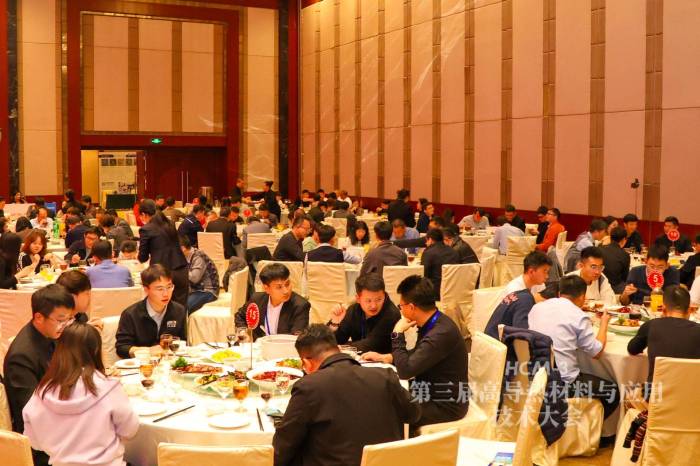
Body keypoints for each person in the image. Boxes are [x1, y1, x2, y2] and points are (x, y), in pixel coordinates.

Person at [273, 325, 419, 466]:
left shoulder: (308, 387)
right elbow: (414, 413)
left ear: (306, 363)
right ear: (339, 348)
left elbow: (282, 448)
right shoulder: (385, 376)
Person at [22, 322, 139, 466]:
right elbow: (129, 431)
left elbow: (33, 441)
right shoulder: (108, 387)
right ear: (96, 350)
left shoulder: (42, 391)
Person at [362, 276, 468, 429]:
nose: (401, 310)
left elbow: (405, 371)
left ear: (411, 307)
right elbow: (421, 353)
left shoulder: (441, 332)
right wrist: (388, 357)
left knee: (385, 411)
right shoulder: (433, 321)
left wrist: (397, 334)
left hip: (445, 404)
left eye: (401, 306)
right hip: (426, 389)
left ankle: (404, 443)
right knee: (381, 394)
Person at [528, 275, 619, 422]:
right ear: (583, 297)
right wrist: (604, 324)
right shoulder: (578, 316)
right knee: (613, 392)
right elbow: (596, 352)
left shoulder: (537, 307)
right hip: (564, 382)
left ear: (559, 293)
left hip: (535, 376)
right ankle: (585, 428)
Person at [3, 284, 75, 460]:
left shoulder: (50, 334)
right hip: (41, 443)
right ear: (39, 317)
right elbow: (31, 412)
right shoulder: (22, 356)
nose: (65, 326)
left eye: (69, 319)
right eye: (60, 320)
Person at [628, 285, 700, 388]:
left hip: (656, 395)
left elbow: (632, 349)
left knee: (630, 390)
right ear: (689, 310)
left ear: (663, 308)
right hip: (694, 395)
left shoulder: (651, 325)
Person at [115, 264, 187, 358]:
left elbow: (182, 342)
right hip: (142, 364)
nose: (166, 294)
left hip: (169, 362)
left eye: (169, 287)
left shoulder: (179, 311)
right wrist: (148, 351)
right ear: (146, 289)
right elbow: (122, 348)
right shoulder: (130, 314)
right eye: (160, 289)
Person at [327, 274, 401, 353]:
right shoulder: (354, 310)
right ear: (358, 299)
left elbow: (371, 345)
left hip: (382, 359)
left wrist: (341, 348)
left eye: (379, 299)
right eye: (368, 301)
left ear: (385, 296)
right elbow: (335, 341)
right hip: (357, 357)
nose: (373, 306)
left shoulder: (391, 314)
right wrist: (335, 323)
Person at [234, 263, 309, 340]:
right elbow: (240, 316)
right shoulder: (257, 300)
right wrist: (243, 332)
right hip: (259, 346)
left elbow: (296, 338)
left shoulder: (300, 305)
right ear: (266, 288)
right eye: (279, 287)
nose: (286, 291)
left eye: (287, 284)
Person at [137, 199, 189, 307]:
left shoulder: (146, 229)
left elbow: (143, 257)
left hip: (162, 273)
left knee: (162, 308)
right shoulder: (170, 224)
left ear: (144, 214)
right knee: (180, 308)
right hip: (181, 269)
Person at [180, 236, 220, 313]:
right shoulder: (185, 256)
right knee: (174, 305)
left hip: (207, 291)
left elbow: (194, 278)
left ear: (183, 248)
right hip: (194, 290)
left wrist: (180, 270)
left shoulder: (198, 256)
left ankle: (184, 321)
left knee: (184, 307)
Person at [421, 228, 460, 299]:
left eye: (426, 240)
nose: (426, 243)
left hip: (434, 292)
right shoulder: (453, 251)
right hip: (452, 288)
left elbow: (423, 274)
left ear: (430, 240)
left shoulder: (428, 252)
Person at [600, 226, 631, 293]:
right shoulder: (625, 255)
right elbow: (625, 277)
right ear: (623, 239)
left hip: (599, 283)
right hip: (615, 287)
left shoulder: (600, 249)